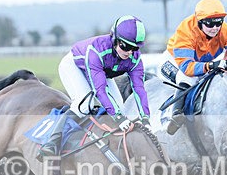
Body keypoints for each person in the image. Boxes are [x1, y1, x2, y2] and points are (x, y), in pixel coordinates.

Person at [38, 15, 151, 160]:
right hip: (74, 66)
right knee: (85, 105)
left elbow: (139, 89)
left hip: (102, 72)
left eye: (134, 48)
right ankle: (52, 142)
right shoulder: (97, 50)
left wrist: (146, 118)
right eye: (125, 46)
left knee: (120, 108)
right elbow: (100, 90)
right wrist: (118, 118)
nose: (129, 52)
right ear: (114, 39)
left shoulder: (134, 59)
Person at [163, 0, 227, 134]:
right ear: (199, 21)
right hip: (174, 61)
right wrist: (210, 65)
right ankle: (176, 114)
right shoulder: (186, 31)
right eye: (209, 23)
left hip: (200, 61)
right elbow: (187, 67)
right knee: (188, 78)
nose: (215, 28)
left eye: (218, 22)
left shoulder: (223, 29)